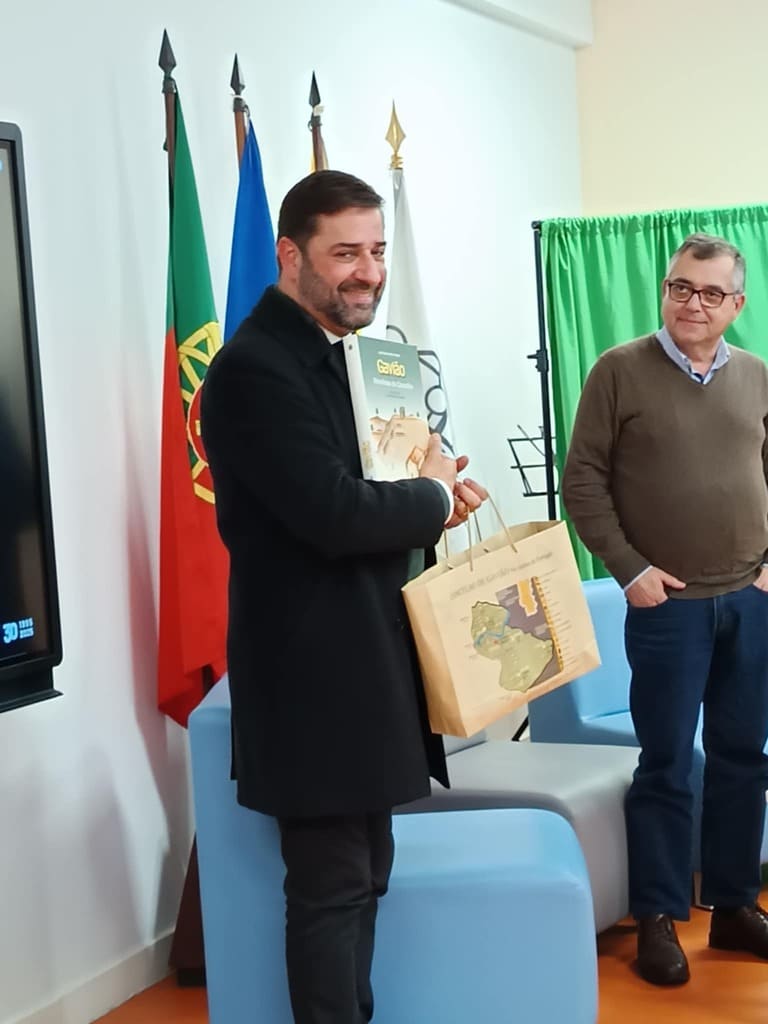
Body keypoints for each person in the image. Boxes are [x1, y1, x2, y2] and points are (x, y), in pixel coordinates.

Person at [200, 169, 486, 1024]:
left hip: (366, 664)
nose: (369, 272)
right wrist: (429, 495)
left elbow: (372, 497)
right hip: (312, 679)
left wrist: (435, 494)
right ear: (290, 255)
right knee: (331, 890)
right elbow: (333, 514)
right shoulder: (256, 370)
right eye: (346, 254)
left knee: (366, 878)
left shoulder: (345, 358)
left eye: (378, 251)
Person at [562, 232, 768, 987]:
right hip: (667, 607)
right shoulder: (618, 371)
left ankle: (734, 906)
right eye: (682, 287)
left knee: (743, 758)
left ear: (736, 305)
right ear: (665, 291)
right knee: (667, 763)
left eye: (711, 293)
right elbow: (582, 480)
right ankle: (656, 916)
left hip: (751, 602)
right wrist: (630, 570)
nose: (693, 303)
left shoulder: (758, 375)